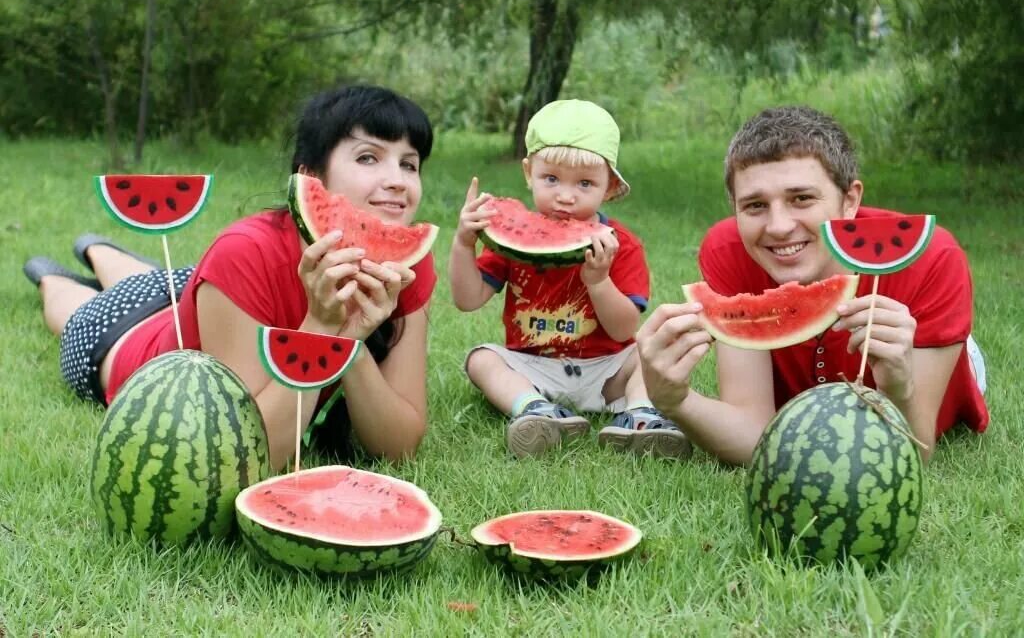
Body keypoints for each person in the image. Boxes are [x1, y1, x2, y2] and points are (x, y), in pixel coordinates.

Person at [23, 85, 437, 471]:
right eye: (368, 157)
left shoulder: (407, 264)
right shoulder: (246, 251)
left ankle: (101, 250)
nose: (397, 180)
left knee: (159, 282)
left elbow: (399, 447)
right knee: (78, 308)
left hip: (200, 299)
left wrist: (349, 340)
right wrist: (322, 326)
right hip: (126, 340)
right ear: (311, 178)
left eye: (409, 164)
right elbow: (252, 453)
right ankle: (55, 271)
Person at [636, 105, 989, 465]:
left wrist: (899, 387)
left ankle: (966, 352)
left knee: (953, 358)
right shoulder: (728, 250)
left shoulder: (933, 257)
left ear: (849, 201)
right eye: (755, 205)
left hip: (926, 347)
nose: (777, 226)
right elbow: (753, 431)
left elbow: (915, 452)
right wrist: (674, 401)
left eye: (801, 198)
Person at [449, 99, 690, 459]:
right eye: (551, 178)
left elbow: (624, 328)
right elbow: (467, 299)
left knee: (647, 349)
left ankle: (641, 415)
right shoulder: (508, 241)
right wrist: (463, 243)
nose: (565, 195)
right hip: (533, 368)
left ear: (608, 187)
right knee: (480, 359)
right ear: (528, 172)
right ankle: (533, 410)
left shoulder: (621, 246)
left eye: (585, 183)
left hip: (607, 373)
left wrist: (598, 281)